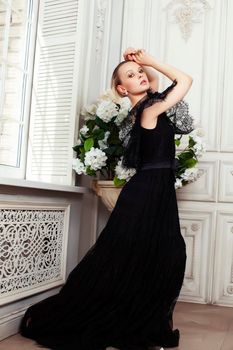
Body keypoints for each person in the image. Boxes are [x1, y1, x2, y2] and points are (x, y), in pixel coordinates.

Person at [20, 48, 193, 350]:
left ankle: (144, 320)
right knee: (135, 256)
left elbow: (155, 84)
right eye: (130, 75)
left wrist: (140, 65)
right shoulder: (148, 112)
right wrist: (149, 61)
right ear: (120, 89)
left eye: (140, 73)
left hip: (155, 190)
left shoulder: (150, 105)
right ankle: (132, 321)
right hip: (147, 191)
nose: (140, 75)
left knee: (160, 255)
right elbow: (185, 80)